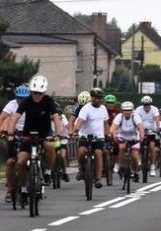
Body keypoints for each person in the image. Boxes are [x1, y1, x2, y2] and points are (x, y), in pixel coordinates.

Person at [10, 75, 64, 206]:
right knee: (21, 162)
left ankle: (47, 172)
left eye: (39, 93)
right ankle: (23, 190)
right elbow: (15, 117)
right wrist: (11, 132)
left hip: (45, 133)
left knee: (51, 146)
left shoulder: (49, 101)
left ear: (44, 92)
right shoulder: (26, 101)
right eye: (34, 93)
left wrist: (57, 134)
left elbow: (56, 118)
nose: (37, 96)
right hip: (28, 134)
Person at [70, 86, 110, 188]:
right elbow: (80, 121)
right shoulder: (86, 108)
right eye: (95, 97)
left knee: (98, 153)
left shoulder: (103, 108)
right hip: (85, 136)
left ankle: (98, 178)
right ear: (91, 98)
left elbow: (106, 123)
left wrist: (108, 134)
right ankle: (82, 169)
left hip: (99, 137)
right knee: (82, 152)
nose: (97, 100)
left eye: (100, 98)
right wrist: (75, 131)